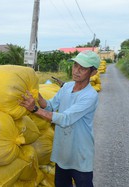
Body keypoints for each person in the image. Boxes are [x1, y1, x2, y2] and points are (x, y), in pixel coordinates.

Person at [20, 50, 100, 187]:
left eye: (83, 68)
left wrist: (34, 109)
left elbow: (65, 119)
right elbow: (50, 106)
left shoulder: (90, 95)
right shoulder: (67, 87)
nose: (76, 71)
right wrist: (36, 95)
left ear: (93, 73)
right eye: (75, 66)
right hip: (62, 150)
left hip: (79, 153)